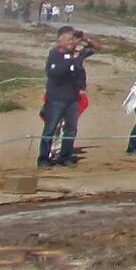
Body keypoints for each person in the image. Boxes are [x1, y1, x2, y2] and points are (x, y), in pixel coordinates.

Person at [40, 27, 93, 168]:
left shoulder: (76, 55)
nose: (71, 42)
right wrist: (71, 60)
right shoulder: (54, 54)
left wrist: (84, 40)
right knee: (50, 129)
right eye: (68, 39)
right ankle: (44, 158)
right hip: (56, 98)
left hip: (73, 98)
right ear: (60, 42)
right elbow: (55, 73)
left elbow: (95, 49)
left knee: (70, 129)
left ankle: (65, 156)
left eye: (72, 39)